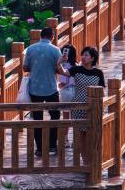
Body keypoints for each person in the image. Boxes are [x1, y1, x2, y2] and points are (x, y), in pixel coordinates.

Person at [56, 46, 104, 162]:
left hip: (93, 107)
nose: (83, 57)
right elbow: (62, 72)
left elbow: (102, 91)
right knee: (80, 134)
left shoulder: (98, 73)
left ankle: (92, 158)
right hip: (78, 106)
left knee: (91, 134)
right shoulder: (76, 69)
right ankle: (85, 161)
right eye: (82, 55)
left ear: (93, 58)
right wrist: (59, 62)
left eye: (86, 55)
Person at [22, 27, 62, 156]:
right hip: (51, 87)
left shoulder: (30, 49)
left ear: (41, 36)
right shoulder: (55, 50)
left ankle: (39, 148)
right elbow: (59, 68)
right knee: (55, 116)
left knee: (37, 118)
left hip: (35, 88)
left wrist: (35, 68)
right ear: (52, 37)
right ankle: (52, 146)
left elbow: (25, 67)